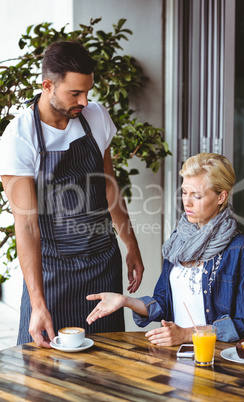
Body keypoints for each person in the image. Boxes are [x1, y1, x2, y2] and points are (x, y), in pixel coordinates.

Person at [0, 41, 144, 347]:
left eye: (88, 91)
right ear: (48, 85)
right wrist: (38, 302)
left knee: (108, 361)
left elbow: (107, 185)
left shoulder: (95, 117)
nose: (84, 100)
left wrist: (131, 244)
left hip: (102, 263)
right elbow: (26, 225)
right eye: (75, 93)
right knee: (44, 369)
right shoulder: (19, 137)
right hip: (53, 272)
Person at [86, 153, 244, 346]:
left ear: (221, 196)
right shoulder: (178, 241)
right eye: (185, 192)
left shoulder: (240, 248)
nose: (187, 202)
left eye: (197, 195)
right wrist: (126, 301)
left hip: (216, 359)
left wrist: (187, 334)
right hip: (176, 357)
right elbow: (163, 302)